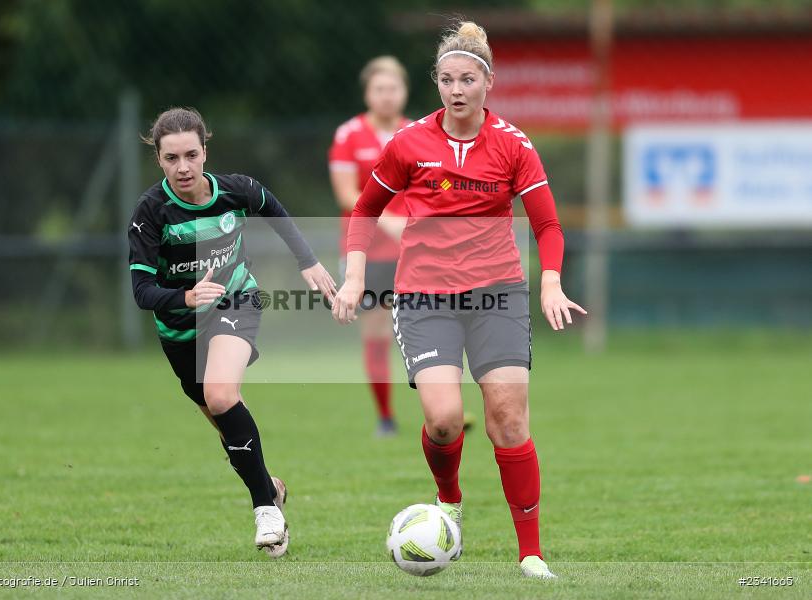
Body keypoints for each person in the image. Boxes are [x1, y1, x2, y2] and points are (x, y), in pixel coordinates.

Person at [331, 22, 586, 579]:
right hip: (425, 296)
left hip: (498, 293)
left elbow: (547, 223)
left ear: (487, 82)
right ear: (437, 84)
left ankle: (531, 553)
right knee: (445, 421)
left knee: (508, 419)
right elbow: (364, 210)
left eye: (467, 79)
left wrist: (550, 282)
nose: (456, 89)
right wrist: (353, 277)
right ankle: (449, 499)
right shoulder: (409, 144)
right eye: (446, 79)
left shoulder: (514, 145)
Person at [128, 107, 336, 558]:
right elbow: (142, 290)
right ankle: (270, 488)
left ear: (205, 151)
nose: (182, 167)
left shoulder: (236, 191)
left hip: (236, 302)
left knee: (222, 396)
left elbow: (275, 211)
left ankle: (264, 508)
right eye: (171, 158)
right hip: (179, 333)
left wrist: (309, 262)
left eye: (190, 155)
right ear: (159, 160)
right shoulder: (151, 213)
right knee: (223, 422)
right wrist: (183, 298)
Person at [328, 56, 411, 436]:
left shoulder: (417, 133)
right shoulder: (349, 135)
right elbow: (347, 195)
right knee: (377, 331)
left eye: (393, 88)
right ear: (367, 93)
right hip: (366, 252)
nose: (387, 96)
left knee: (425, 326)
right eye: (379, 89)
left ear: (405, 92)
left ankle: (442, 409)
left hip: (411, 251)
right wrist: (389, 221)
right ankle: (386, 416)